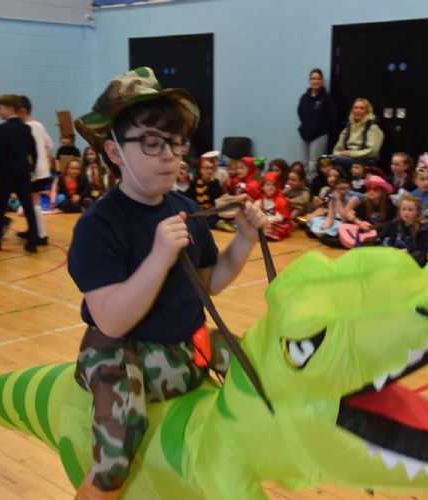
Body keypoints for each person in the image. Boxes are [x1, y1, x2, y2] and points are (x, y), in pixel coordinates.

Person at [69, 66, 267, 499]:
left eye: (175, 143)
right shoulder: (98, 226)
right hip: (120, 349)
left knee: (258, 367)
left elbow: (209, 283)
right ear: (115, 151)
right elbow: (111, 320)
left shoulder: (183, 208)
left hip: (184, 345)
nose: (169, 156)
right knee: (118, 444)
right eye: (152, 143)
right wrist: (159, 257)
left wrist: (245, 240)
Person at [0, 94, 38, 253]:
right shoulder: (26, 128)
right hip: (23, 173)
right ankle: (32, 241)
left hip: (7, 174)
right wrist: (31, 169)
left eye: (0, 108)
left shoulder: (3, 128)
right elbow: (33, 152)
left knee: (0, 207)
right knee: (28, 207)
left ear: (11, 108)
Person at [16, 95, 54, 245]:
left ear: (22, 111)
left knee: (34, 201)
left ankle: (41, 234)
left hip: (34, 171)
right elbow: (49, 145)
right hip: (43, 170)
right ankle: (34, 230)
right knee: (31, 201)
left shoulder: (25, 128)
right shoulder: (39, 125)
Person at [297, 68, 337, 179]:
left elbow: (333, 116)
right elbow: (300, 113)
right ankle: (303, 184)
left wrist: (325, 129)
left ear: (322, 81)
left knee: (313, 164)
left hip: (319, 135)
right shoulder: (304, 97)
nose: (315, 81)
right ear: (309, 81)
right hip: (304, 134)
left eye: (318, 79)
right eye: (313, 79)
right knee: (303, 163)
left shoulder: (326, 98)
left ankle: (312, 185)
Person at [340, 175, 395, 248]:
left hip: (380, 236)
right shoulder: (365, 204)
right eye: (369, 189)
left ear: (382, 192)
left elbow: (393, 224)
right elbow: (349, 214)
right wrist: (359, 223)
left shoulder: (388, 207)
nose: (371, 191)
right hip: (365, 234)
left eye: (375, 189)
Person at [379, 193, 428, 266]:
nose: (406, 212)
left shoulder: (423, 227)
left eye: (410, 210)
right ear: (399, 211)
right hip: (399, 252)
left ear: (417, 212)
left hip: (414, 253)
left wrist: (407, 250)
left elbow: (421, 246)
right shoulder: (395, 224)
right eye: (403, 209)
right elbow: (391, 241)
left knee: (418, 254)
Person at [332, 98, 384, 170]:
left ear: (367, 111)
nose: (358, 111)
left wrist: (351, 154)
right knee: (326, 160)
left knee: (335, 161)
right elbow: (337, 148)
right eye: (355, 108)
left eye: (361, 108)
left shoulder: (373, 127)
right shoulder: (348, 127)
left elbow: (372, 151)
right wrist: (339, 154)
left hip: (364, 159)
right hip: (346, 157)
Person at [185, 156, 235, 232]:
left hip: (211, 212)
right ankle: (218, 223)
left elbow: (217, 201)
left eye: (211, 168)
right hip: (198, 212)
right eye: (206, 168)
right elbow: (188, 198)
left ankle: (219, 223)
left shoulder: (215, 182)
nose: (209, 171)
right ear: (200, 169)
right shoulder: (194, 183)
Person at [255, 171, 292, 241]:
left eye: (273, 185)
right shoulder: (260, 200)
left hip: (276, 223)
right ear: (263, 187)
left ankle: (264, 233)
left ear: (276, 187)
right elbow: (255, 213)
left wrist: (266, 219)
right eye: (268, 184)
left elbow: (280, 218)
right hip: (263, 221)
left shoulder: (280, 201)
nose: (271, 187)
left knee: (270, 225)